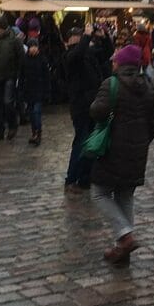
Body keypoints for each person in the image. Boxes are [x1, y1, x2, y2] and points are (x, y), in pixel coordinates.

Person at [89, 43, 154, 265]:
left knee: (99, 192)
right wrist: (140, 142)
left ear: (120, 63)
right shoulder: (148, 85)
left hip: (112, 149)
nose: (112, 62)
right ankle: (122, 252)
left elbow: (96, 112)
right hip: (138, 151)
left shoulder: (112, 84)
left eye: (115, 59)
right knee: (125, 195)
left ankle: (125, 236)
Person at [63, 25, 103, 193]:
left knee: (91, 142)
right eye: (76, 36)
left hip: (93, 104)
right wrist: (86, 37)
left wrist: (103, 37)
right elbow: (77, 55)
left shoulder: (87, 54)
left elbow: (103, 53)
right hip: (80, 105)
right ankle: (71, 178)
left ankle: (86, 178)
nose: (79, 38)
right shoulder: (69, 55)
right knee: (81, 141)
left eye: (80, 35)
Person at [0, 15, 23, 141]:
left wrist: (19, 74)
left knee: (8, 102)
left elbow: (21, 58)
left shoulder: (14, 40)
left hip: (10, 75)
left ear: (1, 28)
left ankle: (12, 125)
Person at [20, 37, 50, 145]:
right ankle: (34, 132)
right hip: (28, 90)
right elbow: (22, 76)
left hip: (39, 89)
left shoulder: (42, 59)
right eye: (31, 47)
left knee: (37, 112)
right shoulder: (24, 59)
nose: (33, 49)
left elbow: (47, 76)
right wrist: (21, 90)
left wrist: (47, 91)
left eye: (34, 46)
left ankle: (38, 133)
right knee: (31, 113)